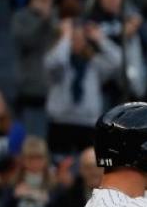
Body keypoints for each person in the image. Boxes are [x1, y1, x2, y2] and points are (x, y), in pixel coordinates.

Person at [44, 18, 122, 156]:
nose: (78, 41)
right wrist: (65, 36)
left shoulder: (94, 64)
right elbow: (58, 61)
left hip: (88, 124)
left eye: (81, 38)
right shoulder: (58, 61)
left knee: (89, 165)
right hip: (61, 123)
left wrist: (99, 38)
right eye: (74, 38)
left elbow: (118, 61)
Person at [11, 0, 58, 136]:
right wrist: (42, 20)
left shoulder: (53, 18)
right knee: (29, 137)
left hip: (52, 87)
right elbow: (26, 41)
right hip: (28, 88)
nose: (46, 3)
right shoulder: (21, 17)